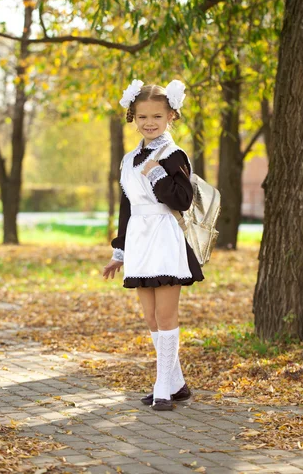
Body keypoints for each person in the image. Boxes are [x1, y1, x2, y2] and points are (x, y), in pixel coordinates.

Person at [102, 79, 204, 411]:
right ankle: (177, 385)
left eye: (157, 117)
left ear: (170, 115)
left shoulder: (173, 155)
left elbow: (184, 200)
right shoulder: (129, 158)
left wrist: (156, 174)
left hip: (164, 237)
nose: (149, 123)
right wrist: (120, 251)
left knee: (165, 313)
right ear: (133, 117)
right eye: (143, 116)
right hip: (140, 240)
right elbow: (126, 206)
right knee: (149, 316)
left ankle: (163, 386)